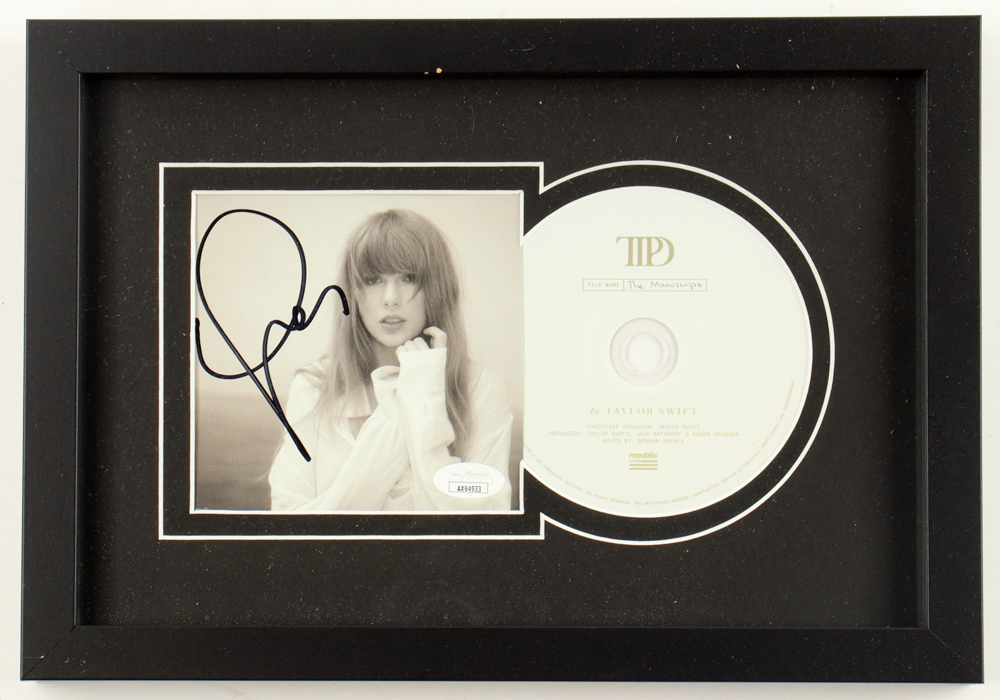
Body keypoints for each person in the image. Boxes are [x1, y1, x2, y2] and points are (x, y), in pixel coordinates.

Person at [268, 209, 513, 511]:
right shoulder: (316, 386)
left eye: (409, 278)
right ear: (353, 292)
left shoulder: (482, 389)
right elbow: (290, 525)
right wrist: (399, 411)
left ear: (438, 287)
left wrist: (423, 400)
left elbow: (479, 526)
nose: (391, 298)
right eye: (373, 279)